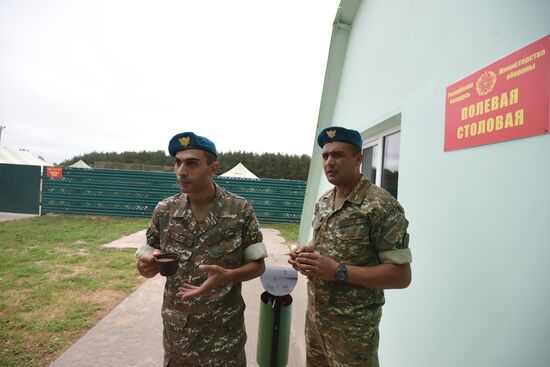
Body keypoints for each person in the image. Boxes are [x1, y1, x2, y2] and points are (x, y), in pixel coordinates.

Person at [136, 132, 267, 367]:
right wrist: (145, 265)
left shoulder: (240, 209)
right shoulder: (165, 210)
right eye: (178, 162)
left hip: (224, 338)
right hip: (179, 337)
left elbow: (258, 265)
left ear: (212, 168)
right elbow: (146, 258)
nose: (181, 171)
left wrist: (230, 275)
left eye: (192, 163)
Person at [288, 126, 412, 367]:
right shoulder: (324, 201)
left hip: (353, 334)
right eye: (325, 156)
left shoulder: (381, 206)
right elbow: (324, 242)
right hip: (316, 324)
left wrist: (338, 271)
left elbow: (401, 276)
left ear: (358, 159)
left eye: (337, 155)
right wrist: (306, 253)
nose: (329, 162)